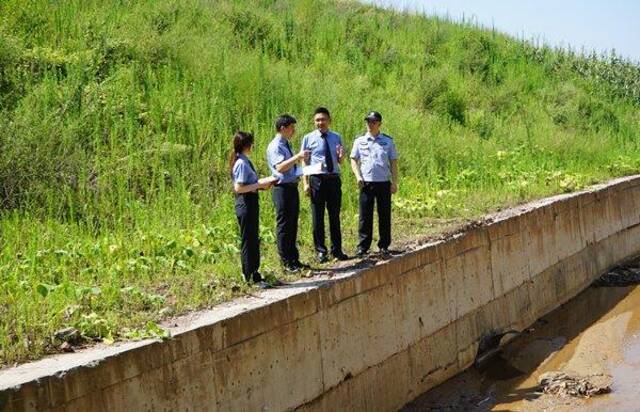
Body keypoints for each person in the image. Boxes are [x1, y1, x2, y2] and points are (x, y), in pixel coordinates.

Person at [301, 107, 349, 263]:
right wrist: (306, 183)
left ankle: (337, 250)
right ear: (314, 122)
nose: (320, 122)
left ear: (329, 120)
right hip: (317, 180)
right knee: (318, 216)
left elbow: (340, 160)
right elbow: (305, 161)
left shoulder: (337, 137)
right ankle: (321, 251)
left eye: (323, 119)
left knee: (334, 215)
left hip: (334, 179)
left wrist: (341, 157)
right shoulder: (308, 138)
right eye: (317, 120)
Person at [230, 131, 277, 287]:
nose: (253, 146)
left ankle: (255, 273)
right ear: (246, 145)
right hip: (245, 203)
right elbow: (239, 188)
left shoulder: (244, 160)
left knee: (253, 238)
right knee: (248, 240)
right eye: (251, 143)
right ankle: (249, 276)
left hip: (251, 201)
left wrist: (263, 184)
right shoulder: (241, 163)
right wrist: (259, 185)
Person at [350, 111, 399, 257]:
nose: (370, 125)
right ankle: (363, 246)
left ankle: (384, 245)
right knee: (365, 216)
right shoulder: (360, 141)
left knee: (384, 215)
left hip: (383, 183)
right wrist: (358, 176)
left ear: (379, 124)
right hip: (366, 183)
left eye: (373, 122)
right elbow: (353, 159)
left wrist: (395, 182)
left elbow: (394, 162)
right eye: (368, 122)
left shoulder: (387, 141)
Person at [266, 114, 310, 272]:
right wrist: (297, 157)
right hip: (282, 189)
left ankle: (293, 259)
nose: (294, 131)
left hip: (291, 186)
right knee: (284, 224)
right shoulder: (275, 145)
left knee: (292, 223)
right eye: (292, 127)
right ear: (283, 128)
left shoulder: (286, 144)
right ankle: (286, 262)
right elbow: (279, 167)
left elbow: (289, 168)